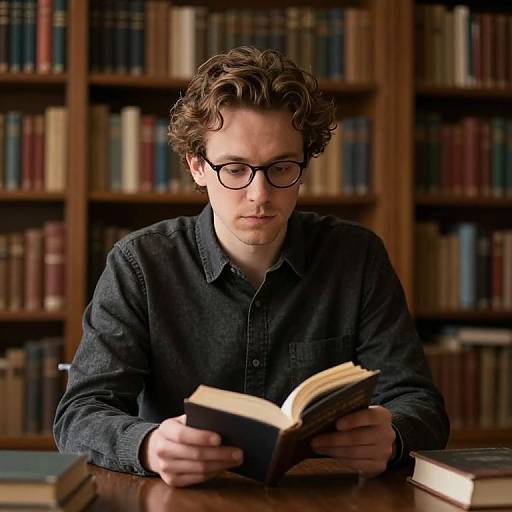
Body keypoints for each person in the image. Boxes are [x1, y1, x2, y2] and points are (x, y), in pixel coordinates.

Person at [54, 46, 449, 488]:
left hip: (323, 499)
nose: (260, 193)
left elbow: (420, 403)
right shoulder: (140, 263)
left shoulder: (357, 257)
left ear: (304, 165)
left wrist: (393, 436)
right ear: (197, 167)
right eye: (235, 169)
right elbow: (78, 415)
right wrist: (148, 445)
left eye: (281, 167)